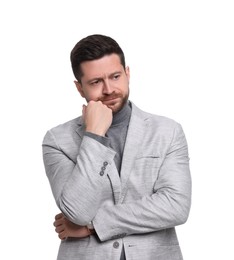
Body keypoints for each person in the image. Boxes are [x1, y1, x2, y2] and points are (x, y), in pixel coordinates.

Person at [42, 34, 192, 260]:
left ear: (127, 73)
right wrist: (94, 136)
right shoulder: (57, 140)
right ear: (79, 88)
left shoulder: (167, 131)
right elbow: (77, 212)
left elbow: (176, 206)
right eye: (95, 82)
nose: (109, 89)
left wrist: (94, 225)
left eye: (115, 76)